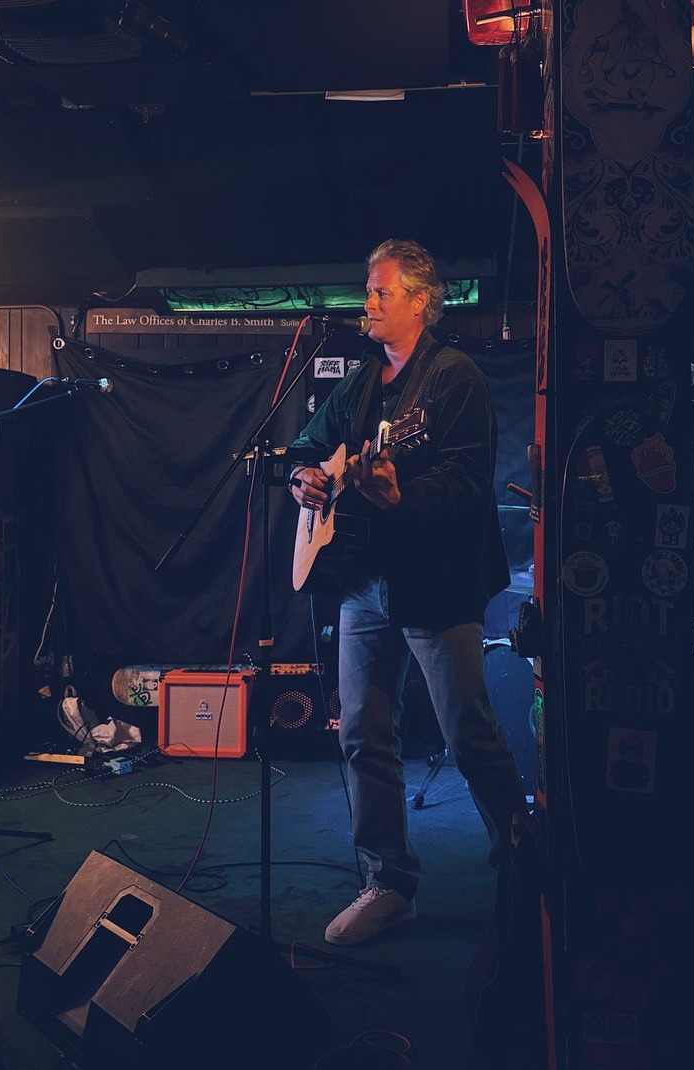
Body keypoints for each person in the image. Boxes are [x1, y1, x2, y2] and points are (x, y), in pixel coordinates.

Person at [288, 239, 529, 946]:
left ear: (420, 301)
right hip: (364, 581)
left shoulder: (453, 378)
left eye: (380, 291)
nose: (366, 302)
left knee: (468, 733)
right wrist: (306, 477)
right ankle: (387, 884)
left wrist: (402, 495)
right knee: (362, 731)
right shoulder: (361, 381)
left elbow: (467, 482)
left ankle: (526, 868)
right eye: (367, 290)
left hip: (436, 583)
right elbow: (309, 446)